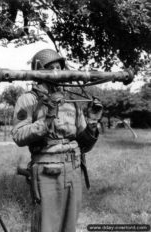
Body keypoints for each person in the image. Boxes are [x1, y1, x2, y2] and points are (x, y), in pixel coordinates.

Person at [11, 49, 103, 232]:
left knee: (69, 226)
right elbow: (18, 136)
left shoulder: (71, 101)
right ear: (39, 71)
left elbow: (83, 145)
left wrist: (92, 122)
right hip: (47, 172)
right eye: (51, 68)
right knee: (47, 226)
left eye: (59, 67)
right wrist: (48, 117)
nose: (57, 72)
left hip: (74, 170)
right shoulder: (28, 100)